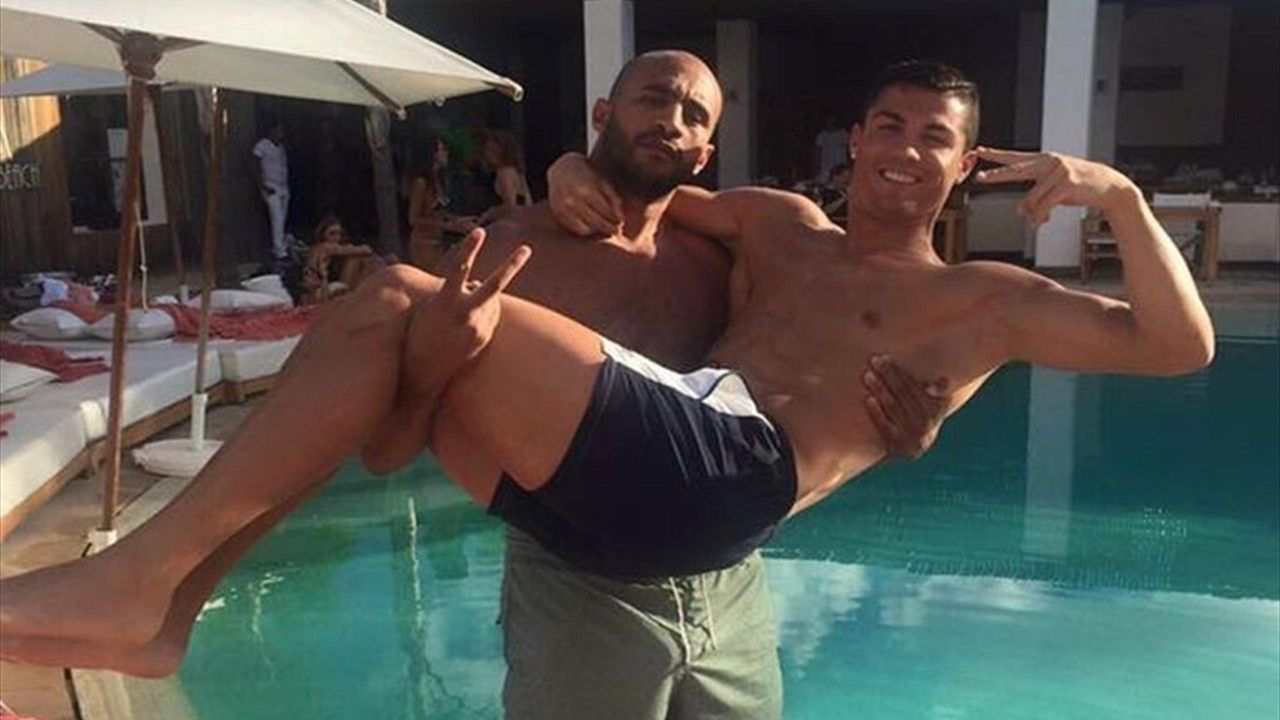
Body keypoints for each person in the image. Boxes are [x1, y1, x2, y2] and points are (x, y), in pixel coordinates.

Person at [0, 56, 1213, 707]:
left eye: (933, 137)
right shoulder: (776, 225)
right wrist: (569, 165)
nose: (905, 151)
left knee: (390, 297)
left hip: (733, 480)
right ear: (855, 141)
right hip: (618, 505)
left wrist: (1117, 199)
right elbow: (647, 182)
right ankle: (165, 607)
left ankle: (143, 583)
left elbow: (1177, 347)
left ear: (965, 165)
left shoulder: (988, 298)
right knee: (405, 327)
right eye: (887, 127)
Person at [405, 136, 479, 272]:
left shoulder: (436, 179)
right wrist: (448, 226)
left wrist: (457, 220)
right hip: (424, 244)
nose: (446, 153)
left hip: (437, 241)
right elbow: (413, 219)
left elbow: (437, 212)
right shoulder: (421, 183)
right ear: (431, 154)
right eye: (442, 150)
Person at [300, 216, 392, 304]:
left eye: (339, 234)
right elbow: (364, 250)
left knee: (370, 260)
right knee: (355, 259)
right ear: (323, 235)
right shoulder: (322, 247)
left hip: (327, 288)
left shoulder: (334, 254)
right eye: (332, 234)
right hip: (316, 292)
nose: (336, 237)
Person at [252, 120, 290, 263]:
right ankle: (280, 252)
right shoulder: (262, 146)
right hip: (270, 186)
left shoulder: (281, 147)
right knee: (277, 218)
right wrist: (262, 185)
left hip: (283, 187)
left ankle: (278, 247)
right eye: (279, 130)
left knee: (282, 218)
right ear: (271, 130)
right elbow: (255, 166)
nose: (281, 134)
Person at [477, 129, 533, 225]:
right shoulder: (517, 172)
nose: (488, 154)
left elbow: (511, 206)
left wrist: (490, 213)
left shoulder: (504, 173)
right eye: (487, 149)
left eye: (493, 150)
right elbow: (528, 203)